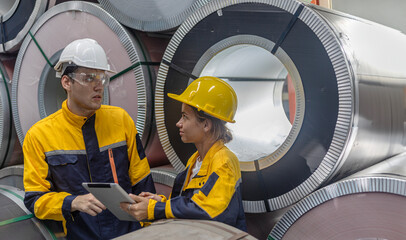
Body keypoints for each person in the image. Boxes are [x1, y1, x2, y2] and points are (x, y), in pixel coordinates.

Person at [23, 38, 155, 239]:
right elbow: (35, 200)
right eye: (89, 78)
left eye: (102, 78)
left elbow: (142, 182)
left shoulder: (121, 120)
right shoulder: (40, 136)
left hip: (130, 234)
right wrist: (72, 202)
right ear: (66, 82)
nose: (98, 86)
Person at [120, 76, 247, 231]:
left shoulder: (224, 161)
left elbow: (207, 210)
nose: (178, 123)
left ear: (206, 124)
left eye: (185, 117)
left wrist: (155, 209)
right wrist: (159, 201)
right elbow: (190, 204)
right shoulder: (195, 160)